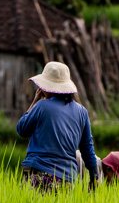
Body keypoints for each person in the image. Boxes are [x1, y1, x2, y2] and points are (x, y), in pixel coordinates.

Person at [16, 61, 100, 192]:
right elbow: (87, 148)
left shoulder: (42, 106)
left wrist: (34, 101)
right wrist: (94, 176)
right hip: (67, 179)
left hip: (39, 171)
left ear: (46, 87)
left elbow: (22, 129)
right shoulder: (82, 112)